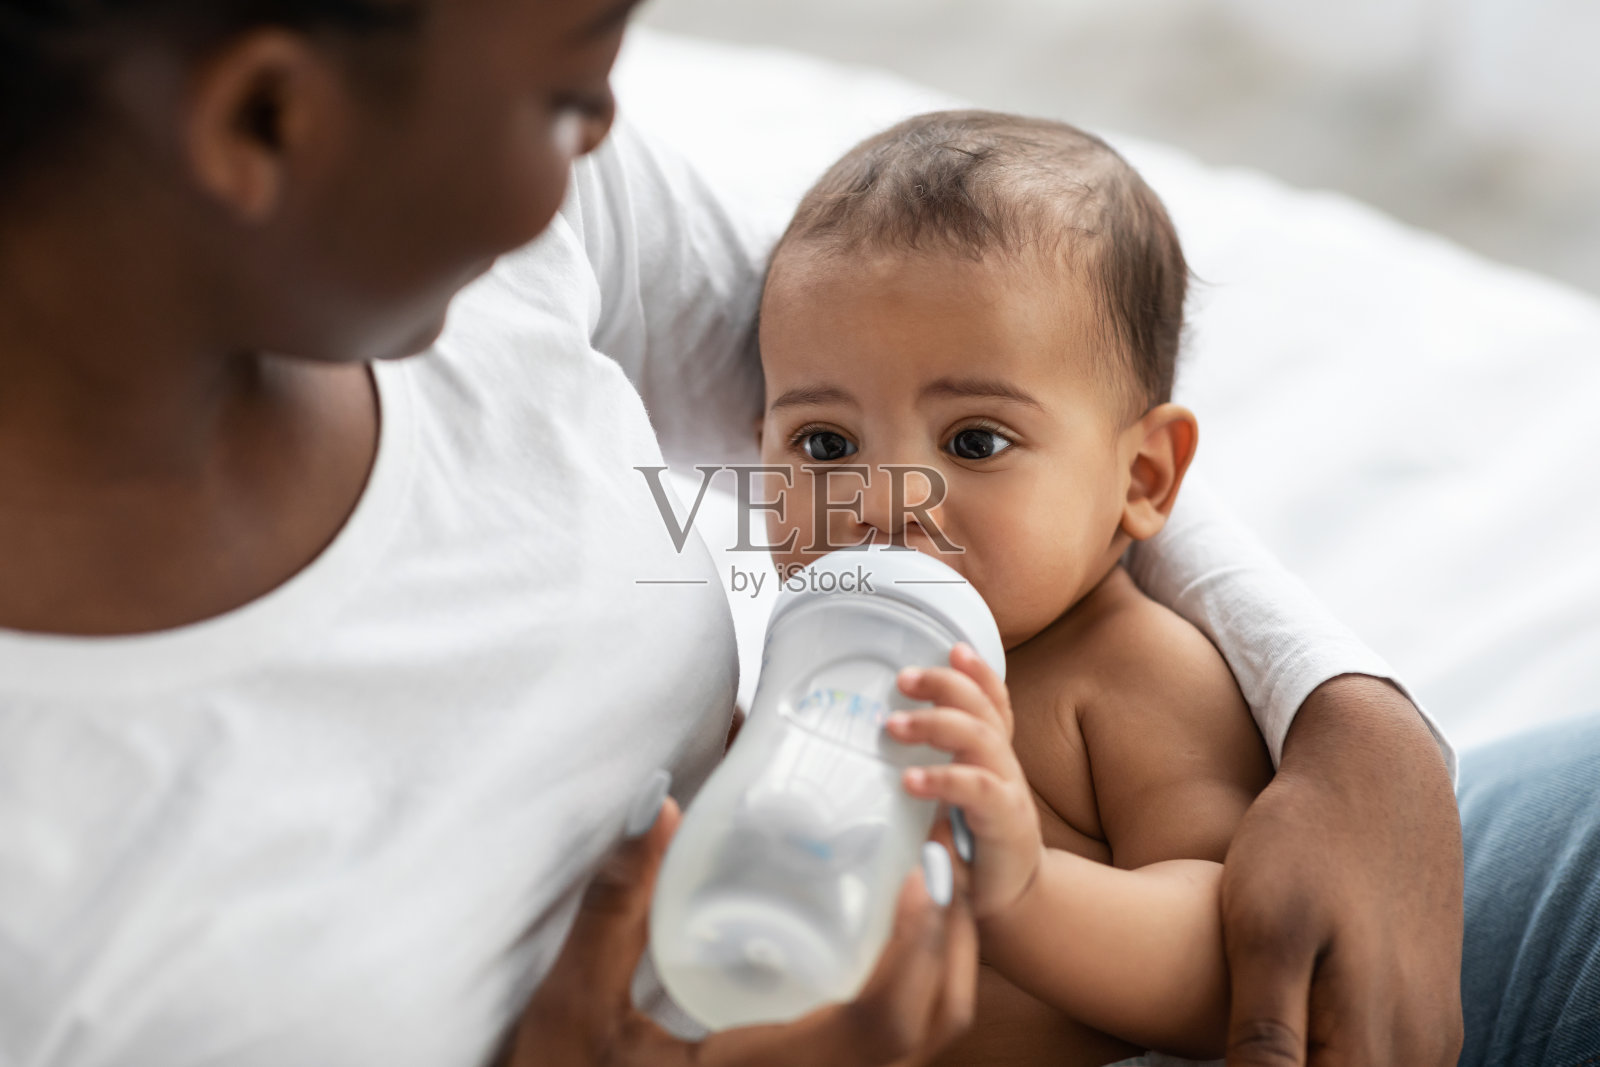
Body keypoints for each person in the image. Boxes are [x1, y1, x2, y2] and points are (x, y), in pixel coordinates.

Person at [0, 0, 1513, 1063]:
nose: (604, 138)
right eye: (563, 92)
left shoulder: (1127, 676)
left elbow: (1007, 375)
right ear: (268, 116)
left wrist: (1352, 719)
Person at [752, 109, 1272, 1065]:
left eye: (974, 441)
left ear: (1142, 476)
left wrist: (1028, 890)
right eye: (824, 445)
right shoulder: (801, 656)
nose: (882, 500)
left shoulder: (1132, 673)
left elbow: (1235, 964)